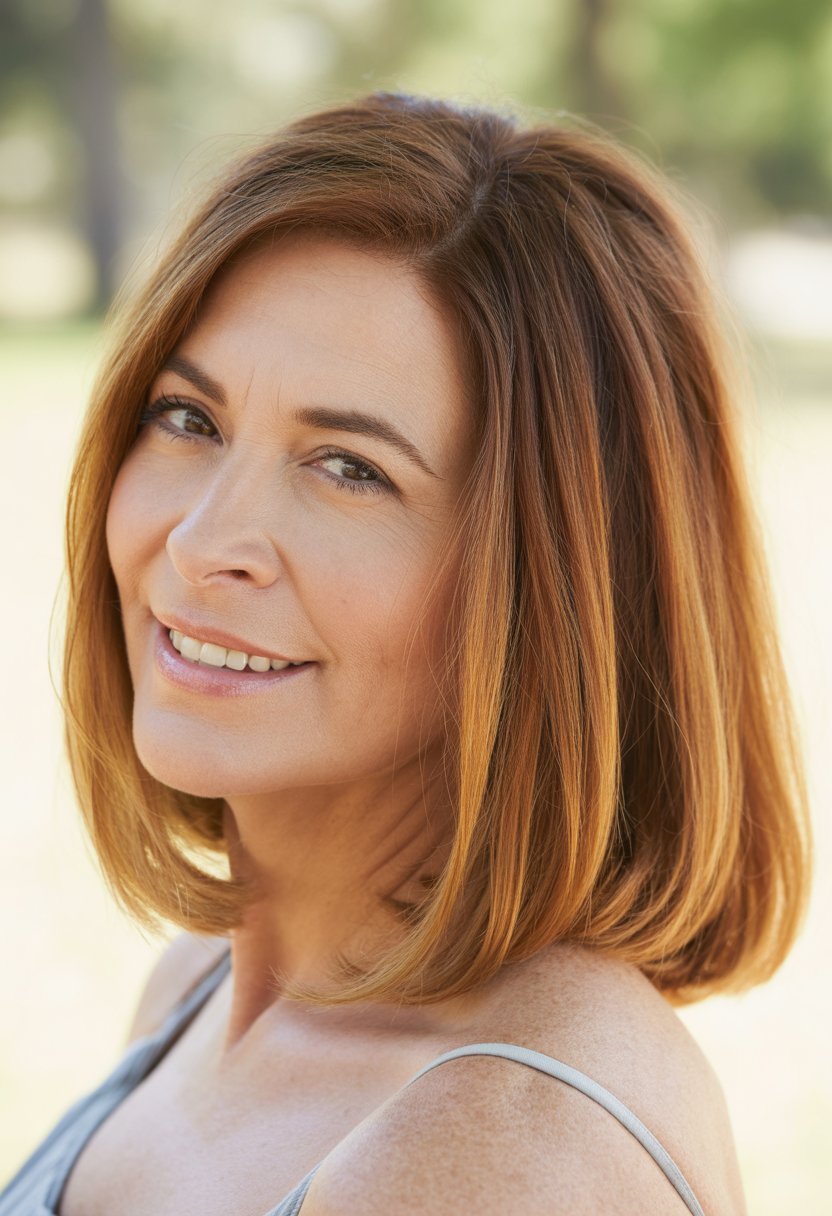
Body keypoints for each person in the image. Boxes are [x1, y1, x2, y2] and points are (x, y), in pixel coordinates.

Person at [0, 92, 811, 1216]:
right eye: (189, 418)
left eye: (349, 468)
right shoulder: (199, 990)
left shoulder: (498, 1157)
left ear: (553, 589)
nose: (199, 545)